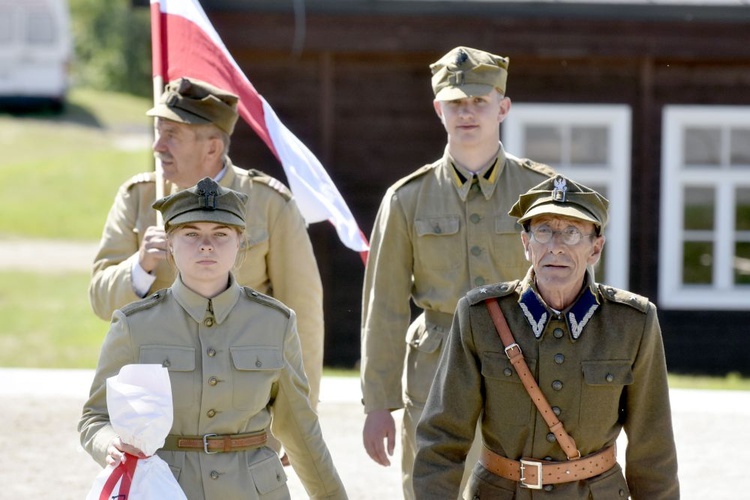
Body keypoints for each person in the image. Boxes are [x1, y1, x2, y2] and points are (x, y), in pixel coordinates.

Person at [360, 46, 555, 498]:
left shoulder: (539, 192)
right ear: (438, 110)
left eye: (479, 102)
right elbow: (384, 306)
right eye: (456, 103)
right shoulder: (408, 198)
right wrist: (378, 404)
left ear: (502, 107)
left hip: (524, 364)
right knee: (433, 486)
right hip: (436, 369)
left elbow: (570, 289)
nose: (467, 113)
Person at [79, 177, 347, 500]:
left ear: (240, 243)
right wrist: (110, 444)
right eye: (191, 234)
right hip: (166, 489)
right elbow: (95, 418)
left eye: (220, 234)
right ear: (170, 244)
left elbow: (301, 429)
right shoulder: (134, 326)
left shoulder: (275, 324)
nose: (206, 245)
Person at [413, 174, 679, 498]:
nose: (556, 246)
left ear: (595, 248)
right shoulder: (480, 316)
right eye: (543, 231)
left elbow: (653, 448)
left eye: (572, 233)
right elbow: (442, 439)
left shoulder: (632, 323)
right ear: (526, 244)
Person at [88, 77, 324, 415]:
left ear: (212, 148)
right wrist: (140, 267)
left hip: (241, 407)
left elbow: (303, 318)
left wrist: (298, 413)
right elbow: (99, 299)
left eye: (172, 135)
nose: (158, 146)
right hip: (153, 404)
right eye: (158, 132)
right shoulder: (139, 198)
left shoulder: (269, 204)